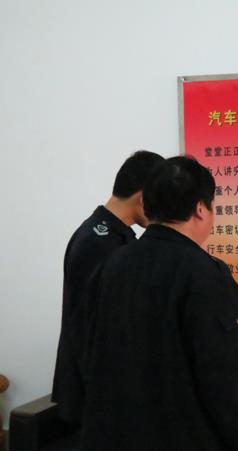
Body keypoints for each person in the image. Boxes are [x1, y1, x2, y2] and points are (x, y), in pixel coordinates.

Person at [79, 156, 238, 451]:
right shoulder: (206, 275)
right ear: (201, 209)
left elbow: (92, 353)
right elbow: (227, 379)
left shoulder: (114, 264)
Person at [52, 149, 164, 427]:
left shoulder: (111, 235)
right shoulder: (99, 241)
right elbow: (90, 322)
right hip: (96, 391)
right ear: (143, 197)